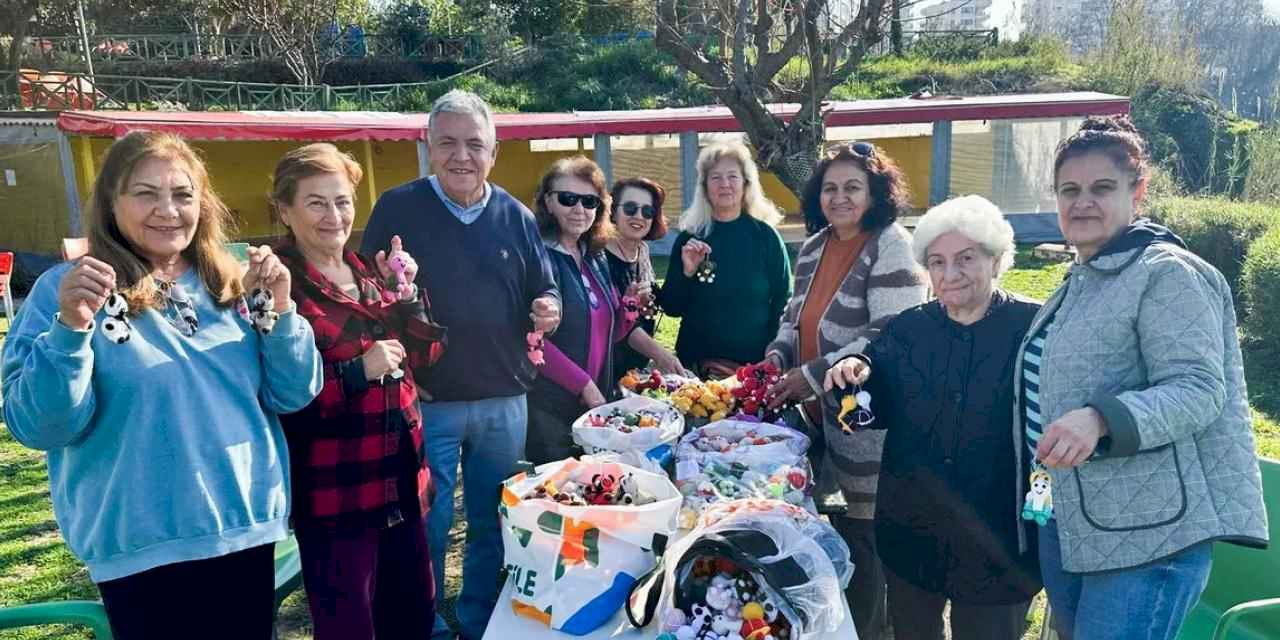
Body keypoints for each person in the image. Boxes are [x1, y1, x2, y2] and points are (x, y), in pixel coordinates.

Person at [1, 131, 322, 639]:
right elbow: (40, 426)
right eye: (145, 193)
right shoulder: (67, 289)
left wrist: (280, 310)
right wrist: (70, 327)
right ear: (111, 202)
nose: (167, 210)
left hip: (242, 534)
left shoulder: (229, 284)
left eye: (182, 194)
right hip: (141, 549)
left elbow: (293, 392)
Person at [1016, 115, 1268, 640]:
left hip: (1150, 536)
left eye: (1101, 188)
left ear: (1138, 192)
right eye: (1070, 190)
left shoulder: (1167, 272)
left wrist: (1099, 420)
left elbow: (1199, 389)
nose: (1082, 201)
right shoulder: (1082, 279)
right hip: (1074, 522)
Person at [359, 89, 560, 640]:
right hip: (430, 403)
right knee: (427, 524)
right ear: (428, 146)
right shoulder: (397, 208)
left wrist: (549, 310)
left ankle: (478, 619)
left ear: (494, 151)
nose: (461, 156)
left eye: (475, 144)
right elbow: (366, 297)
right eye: (447, 142)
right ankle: (418, 622)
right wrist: (398, 369)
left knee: (493, 524)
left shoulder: (515, 217)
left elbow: (544, 291)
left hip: (504, 399)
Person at [823, 195, 1042, 640]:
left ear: (997, 260)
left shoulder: (1033, 328)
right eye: (937, 262)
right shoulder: (908, 328)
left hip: (996, 543)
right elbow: (867, 411)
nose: (950, 274)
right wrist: (852, 379)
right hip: (913, 531)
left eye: (966, 259)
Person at [271, 143, 447, 640]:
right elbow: (280, 401)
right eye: (316, 202)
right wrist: (355, 373)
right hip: (338, 498)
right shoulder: (279, 287)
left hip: (403, 482)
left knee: (413, 617)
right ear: (285, 209)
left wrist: (410, 294)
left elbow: (426, 359)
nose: (334, 215)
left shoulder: (368, 270)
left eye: (343, 201)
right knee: (351, 628)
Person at [761, 141, 928, 640]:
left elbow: (891, 333)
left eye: (853, 187)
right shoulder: (814, 246)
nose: (840, 198)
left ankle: (872, 630)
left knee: (865, 536)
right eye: (830, 188)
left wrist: (810, 374)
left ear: (876, 192)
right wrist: (777, 354)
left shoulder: (891, 244)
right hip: (814, 416)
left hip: (865, 422)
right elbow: (794, 319)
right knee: (817, 527)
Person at [526, 158, 683, 465]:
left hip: (594, 404)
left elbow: (614, 329)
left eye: (589, 201)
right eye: (568, 199)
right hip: (551, 410)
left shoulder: (593, 255)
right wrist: (584, 385)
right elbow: (534, 341)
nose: (579, 209)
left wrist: (627, 307)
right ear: (548, 201)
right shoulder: (538, 257)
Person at [658, 140, 792, 379]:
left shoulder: (766, 237)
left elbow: (783, 299)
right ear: (705, 187)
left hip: (753, 368)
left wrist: (771, 353)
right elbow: (671, 308)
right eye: (716, 177)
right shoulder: (689, 240)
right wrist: (687, 273)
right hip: (697, 369)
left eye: (733, 176)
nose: (725, 184)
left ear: (746, 183)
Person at [604, 176, 669, 381]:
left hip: (635, 370)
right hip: (607, 372)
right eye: (630, 208)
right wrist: (661, 355)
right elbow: (613, 321)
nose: (639, 216)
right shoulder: (598, 256)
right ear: (613, 211)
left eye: (648, 211)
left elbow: (651, 304)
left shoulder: (642, 250)